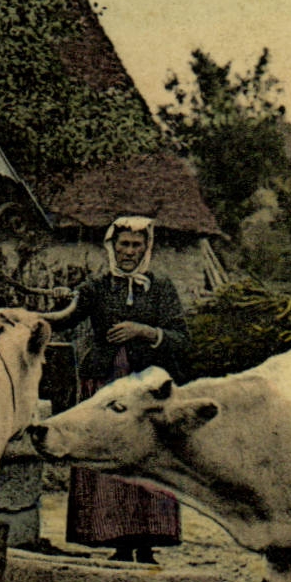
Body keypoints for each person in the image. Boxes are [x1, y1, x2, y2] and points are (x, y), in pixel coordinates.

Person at [55, 215, 191, 564]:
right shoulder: (96, 288)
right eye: (123, 245)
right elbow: (65, 317)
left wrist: (145, 332)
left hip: (146, 391)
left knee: (145, 458)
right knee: (108, 455)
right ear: (112, 247)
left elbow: (181, 338)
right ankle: (117, 541)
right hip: (105, 386)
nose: (129, 252)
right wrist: (58, 301)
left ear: (146, 248)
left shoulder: (161, 288)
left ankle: (146, 544)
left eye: (136, 245)